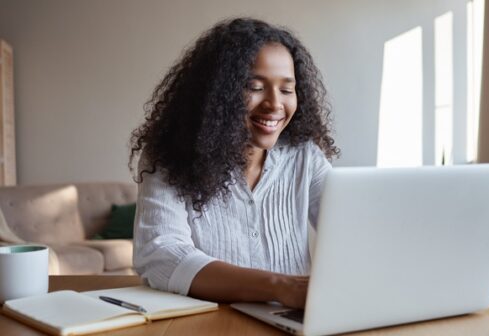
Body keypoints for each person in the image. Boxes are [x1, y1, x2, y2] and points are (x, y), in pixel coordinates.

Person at [129, 17, 339, 309]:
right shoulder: (168, 157)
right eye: (254, 87)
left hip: (290, 322)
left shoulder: (305, 155)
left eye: (287, 89)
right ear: (218, 94)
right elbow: (162, 255)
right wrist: (280, 286)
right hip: (203, 323)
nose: (275, 104)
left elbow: (350, 230)